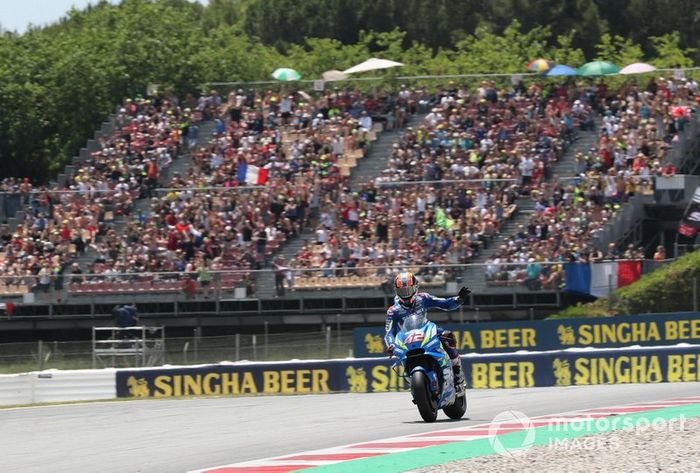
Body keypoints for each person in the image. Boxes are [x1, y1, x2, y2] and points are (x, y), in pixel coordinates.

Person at [384, 271, 471, 393]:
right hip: (406, 338)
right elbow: (389, 332)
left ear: (415, 288)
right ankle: (417, 384)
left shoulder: (423, 298)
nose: (405, 295)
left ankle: (458, 376)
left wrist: (458, 300)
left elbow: (444, 304)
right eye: (401, 292)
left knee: (448, 338)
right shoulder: (393, 311)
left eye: (407, 291)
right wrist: (391, 345)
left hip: (426, 330)